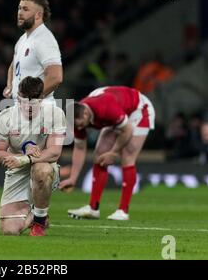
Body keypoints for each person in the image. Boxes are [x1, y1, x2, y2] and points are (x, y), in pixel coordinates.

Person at [59, 86, 155, 221]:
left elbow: (127, 130)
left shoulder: (104, 107)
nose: (79, 128)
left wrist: (114, 153)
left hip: (139, 109)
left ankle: (123, 211)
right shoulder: (77, 119)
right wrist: (73, 178)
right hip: (118, 112)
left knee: (127, 156)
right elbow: (80, 148)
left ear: (85, 114)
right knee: (100, 156)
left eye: (80, 124)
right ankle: (93, 208)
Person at [0, 77, 67, 236]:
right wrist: (16, 158)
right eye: (25, 100)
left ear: (42, 98)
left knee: (42, 171)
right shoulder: (6, 117)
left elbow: (54, 151)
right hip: (18, 168)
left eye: (34, 100)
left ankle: (39, 222)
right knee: (10, 230)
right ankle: (35, 213)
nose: (29, 105)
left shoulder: (55, 114)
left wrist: (24, 159)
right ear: (18, 96)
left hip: (43, 164)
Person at [3, 0, 62, 104]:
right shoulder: (22, 39)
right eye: (19, 8)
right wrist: (10, 87)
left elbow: (56, 76)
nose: (20, 13)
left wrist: (33, 100)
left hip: (39, 111)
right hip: (23, 110)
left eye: (25, 9)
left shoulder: (45, 39)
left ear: (38, 15)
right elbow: (13, 66)